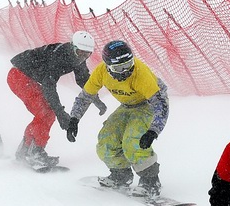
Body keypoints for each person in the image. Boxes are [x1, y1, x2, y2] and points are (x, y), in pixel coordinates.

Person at [65, 40, 168, 197]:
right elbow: (85, 97)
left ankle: (151, 182)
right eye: (119, 68)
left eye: (128, 65)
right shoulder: (101, 72)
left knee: (134, 141)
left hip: (148, 105)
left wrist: (153, 131)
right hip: (128, 105)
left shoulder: (140, 73)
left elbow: (160, 104)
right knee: (106, 140)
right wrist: (74, 119)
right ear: (108, 66)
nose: (125, 71)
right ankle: (121, 176)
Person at [7, 31, 108, 169]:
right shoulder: (59, 56)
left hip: (27, 78)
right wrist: (60, 113)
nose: (82, 57)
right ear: (72, 47)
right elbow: (49, 86)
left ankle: (25, 150)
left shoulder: (78, 58)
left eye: (87, 54)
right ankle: (35, 153)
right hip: (19, 77)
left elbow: (83, 80)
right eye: (80, 52)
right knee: (46, 113)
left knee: (45, 113)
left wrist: (96, 101)